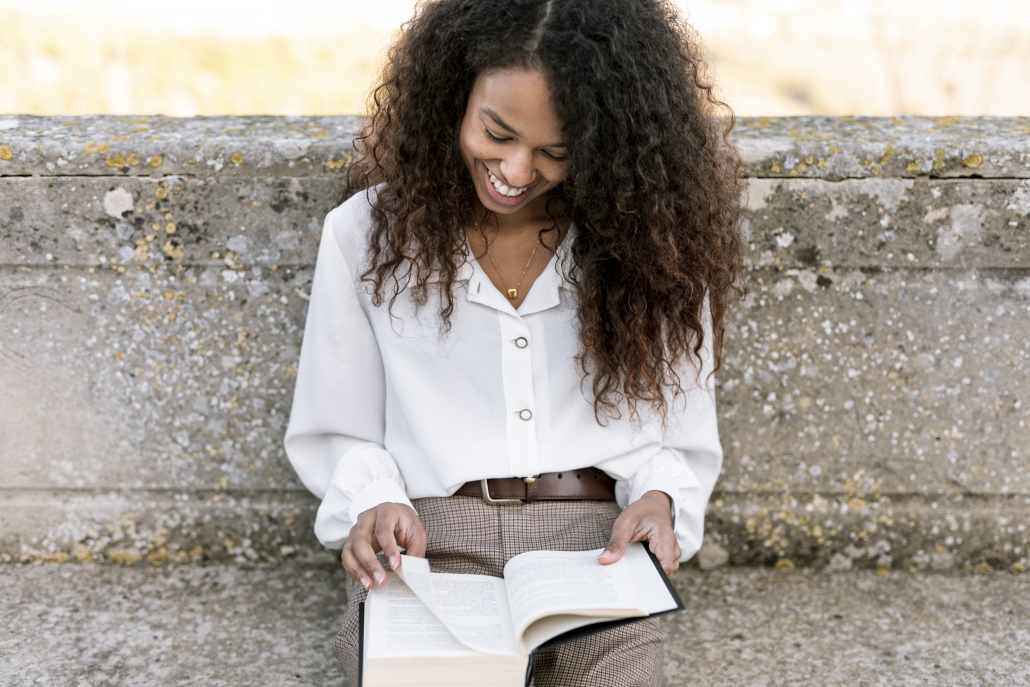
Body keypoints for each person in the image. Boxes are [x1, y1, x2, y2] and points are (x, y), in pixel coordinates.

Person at [284, 0, 745, 684]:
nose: (516, 169)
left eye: (554, 152)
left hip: (595, 552)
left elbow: (680, 440)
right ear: (453, 94)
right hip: (428, 542)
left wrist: (660, 503)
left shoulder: (654, 243)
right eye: (496, 132)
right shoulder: (365, 234)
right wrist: (374, 502)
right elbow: (338, 428)